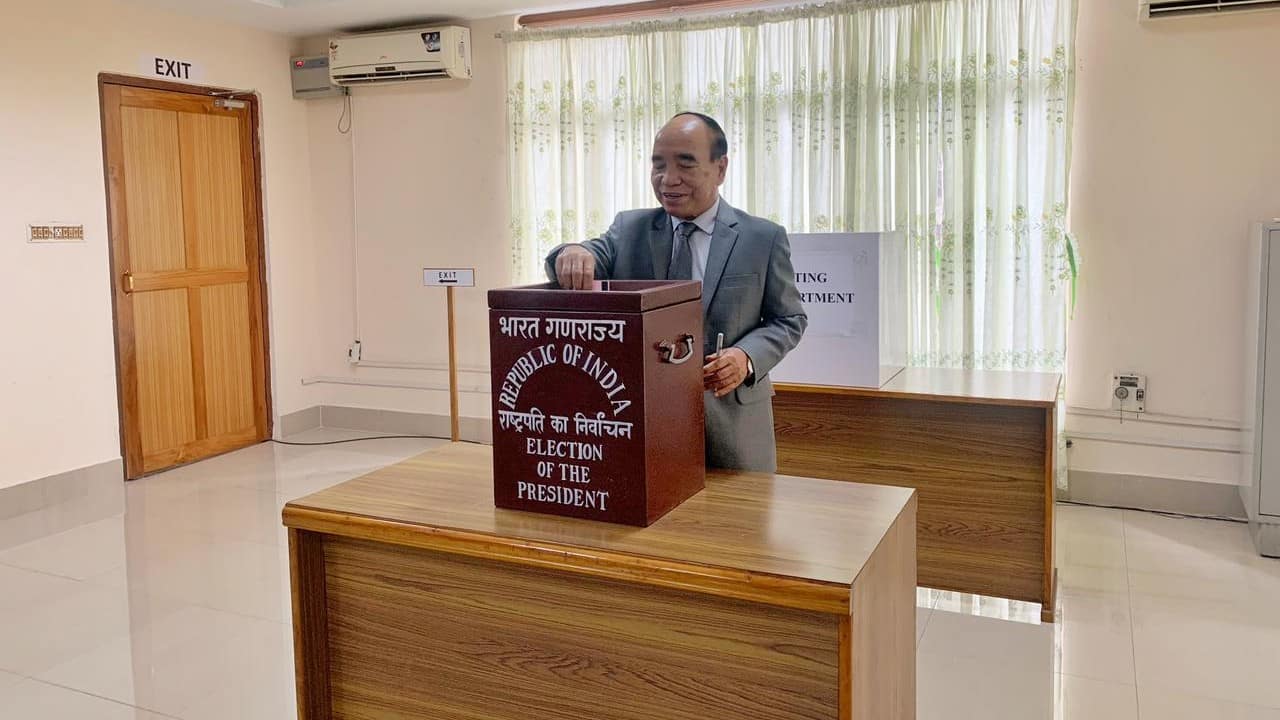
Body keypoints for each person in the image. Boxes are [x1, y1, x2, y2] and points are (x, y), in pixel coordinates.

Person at [544, 112, 807, 472]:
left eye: (685, 164)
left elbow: (789, 319)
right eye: (658, 165)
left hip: (731, 424)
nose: (668, 179)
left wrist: (745, 357)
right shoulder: (630, 229)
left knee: (740, 510)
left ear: (720, 168)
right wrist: (572, 251)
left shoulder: (762, 238)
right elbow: (584, 256)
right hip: (644, 424)